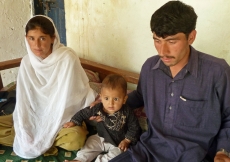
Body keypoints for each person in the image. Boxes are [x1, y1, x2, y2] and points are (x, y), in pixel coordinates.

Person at [104, 1, 230, 162]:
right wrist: (105, 106)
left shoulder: (217, 72)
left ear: (191, 37)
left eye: (171, 41)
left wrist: (223, 151)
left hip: (194, 156)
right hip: (148, 151)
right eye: (157, 40)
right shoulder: (150, 68)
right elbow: (140, 96)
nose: (163, 51)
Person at [0, 15, 96, 159]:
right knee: (19, 126)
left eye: (42, 38)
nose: (37, 45)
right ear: (26, 38)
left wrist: (50, 120)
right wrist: (29, 121)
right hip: (34, 114)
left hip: (62, 117)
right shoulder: (27, 63)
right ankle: (42, 141)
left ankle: (39, 141)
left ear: (53, 38)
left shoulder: (67, 58)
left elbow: (77, 95)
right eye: (32, 38)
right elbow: (24, 101)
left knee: (76, 138)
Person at [63, 74, 141, 162]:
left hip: (117, 143)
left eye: (115, 99)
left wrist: (127, 140)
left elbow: (134, 127)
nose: (110, 103)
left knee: (118, 154)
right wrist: (74, 121)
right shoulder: (98, 107)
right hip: (101, 137)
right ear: (101, 97)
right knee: (90, 143)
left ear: (124, 99)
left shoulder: (127, 112)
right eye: (106, 98)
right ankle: (79, 160)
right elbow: (84, 113)